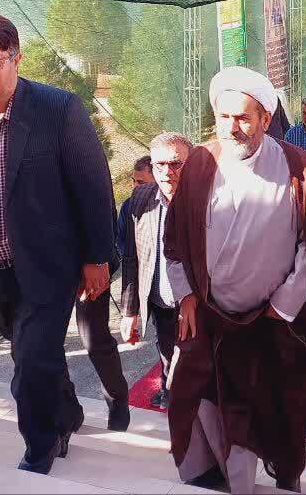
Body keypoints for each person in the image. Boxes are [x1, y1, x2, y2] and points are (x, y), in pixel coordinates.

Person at [0, 13, 115, 474]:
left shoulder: (57, 108)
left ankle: (39, 447)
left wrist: (97, 258)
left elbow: (93, 187)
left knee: (28, 362)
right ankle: (68, 413)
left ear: (16, 58)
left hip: (51, 264)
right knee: (35, 352)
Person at [163, 67, 306, 493]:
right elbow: (175, 239)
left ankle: (282, 477)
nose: (232, 127)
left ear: (266, 119)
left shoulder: (299, 168)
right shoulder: (200, 162)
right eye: (224, 117)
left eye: (243, 118)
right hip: (209, 318)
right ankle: (221, 481)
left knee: (276, 410)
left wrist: (284, 306)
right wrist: (187, 295)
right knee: (200, 398)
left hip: (272, 323)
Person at [118, 131, 193, 411]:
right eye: (159, 165)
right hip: (160, 300)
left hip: (199, 305)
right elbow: (132, 257)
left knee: (195, 366)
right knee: (166, 355)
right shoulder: (140, 199)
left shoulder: (208, 198)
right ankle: (170, 397)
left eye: (176, 164)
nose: (167, 172)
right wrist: (129, 311)